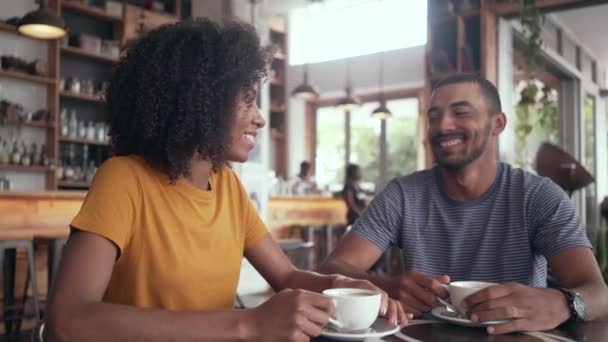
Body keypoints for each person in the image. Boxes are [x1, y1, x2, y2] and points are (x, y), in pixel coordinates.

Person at [45, 19, 407, 342]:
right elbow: (68, 320)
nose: (260, 119)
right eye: (247, 102)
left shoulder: (227, 185)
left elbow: (286, 275)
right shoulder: (124, 179)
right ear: (200, 103)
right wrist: (248, 325)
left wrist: (341, 286)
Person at [321, 73, 608, 334]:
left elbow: (598, 293)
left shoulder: (537, 196)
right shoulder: (403, 195)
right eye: (434, 116)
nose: (443, 125)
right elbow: (332, 267)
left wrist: (561, 303)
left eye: (460, 112)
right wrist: (388, 285)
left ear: (497, 123)